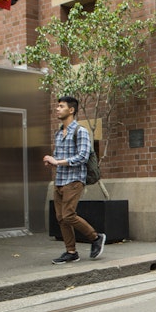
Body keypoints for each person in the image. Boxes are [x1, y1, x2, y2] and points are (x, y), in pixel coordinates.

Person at [43, 96, 106, 264]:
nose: (57, 109)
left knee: (69, 215)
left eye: (61, 106)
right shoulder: (58, 133)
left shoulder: (81, 131)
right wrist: (52, 160)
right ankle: (71, 251)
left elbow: (83, 156)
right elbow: (59, 157)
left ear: (71, 110)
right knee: (61, 218)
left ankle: (96, 237)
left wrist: (58, 162)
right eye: (57, 106)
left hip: (74, 180)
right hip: (60, 180)